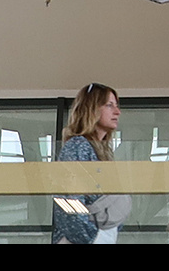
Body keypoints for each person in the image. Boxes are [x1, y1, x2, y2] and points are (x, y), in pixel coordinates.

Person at [52, 82, 126, 244]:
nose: (117, 112)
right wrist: (91, 236)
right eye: (109, 105)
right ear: (92, 109)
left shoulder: (102, 151)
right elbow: (70, 200)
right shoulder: (78, 146)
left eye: (117, 105)